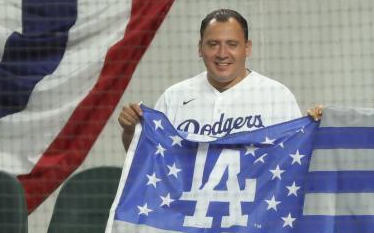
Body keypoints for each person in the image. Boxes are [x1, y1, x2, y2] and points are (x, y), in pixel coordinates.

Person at [117, 8, 302, 150]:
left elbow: (296, 158)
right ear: (200, 48)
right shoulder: (173, 97)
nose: (222, 54)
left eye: (232, 44)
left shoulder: (277, 96)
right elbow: (149, 160)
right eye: (213, 44)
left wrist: (323, 123)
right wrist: (131, 131)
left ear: (247, 48)